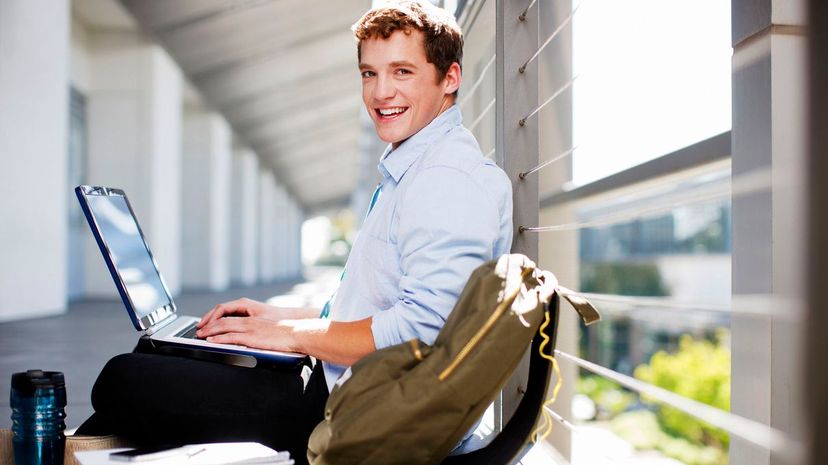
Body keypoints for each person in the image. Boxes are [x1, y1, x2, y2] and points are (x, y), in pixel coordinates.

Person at [77, 2, 513, 462]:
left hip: (346, 413)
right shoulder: (420, 167)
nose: (381, 92)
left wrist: (290, 336)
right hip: (341, 386)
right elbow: (377, 304)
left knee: (124, 378)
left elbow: (422, 333)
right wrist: (276, 319)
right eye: (369, 74)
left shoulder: (447, 179)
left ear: (450, 78)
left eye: (402, 71)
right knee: (162, 355)